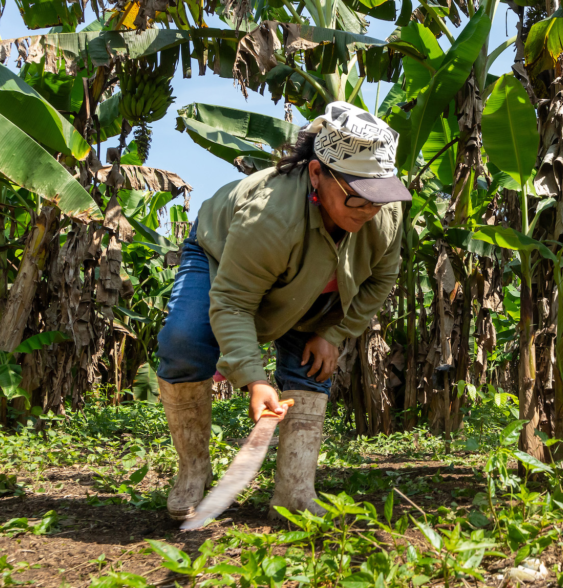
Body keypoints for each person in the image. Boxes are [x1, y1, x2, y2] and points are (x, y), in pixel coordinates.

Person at [155, 102, 410, 521]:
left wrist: (333, 333)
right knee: (184, 342)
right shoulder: (270, 216)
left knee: (312, 365)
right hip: (220, 248)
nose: (368, 210)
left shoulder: (384, 212)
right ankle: (193, 471)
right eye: (357, 198)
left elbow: (382, 278)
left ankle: (294, 491)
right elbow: (234, 302)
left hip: (315, 279)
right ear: (317, 173)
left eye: (378, 199)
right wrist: (254, 380)